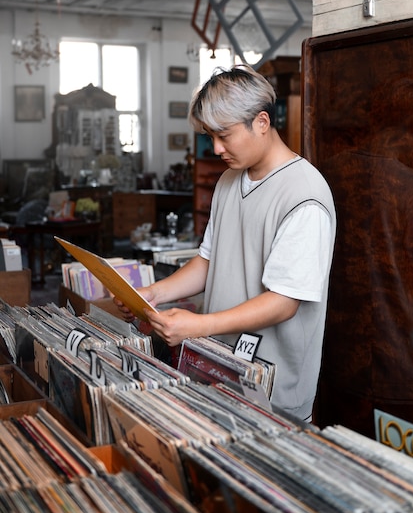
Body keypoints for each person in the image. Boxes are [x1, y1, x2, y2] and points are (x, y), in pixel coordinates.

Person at [115, 64, 336, 422]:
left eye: (224, 135)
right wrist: (154, 294)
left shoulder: (304, 197)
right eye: (210, 136)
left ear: (261, 122)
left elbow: (283, 303)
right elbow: (208, 261)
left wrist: (198, 325)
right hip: (217, 364)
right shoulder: (229, 181)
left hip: (272, 386)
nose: (216, 148)